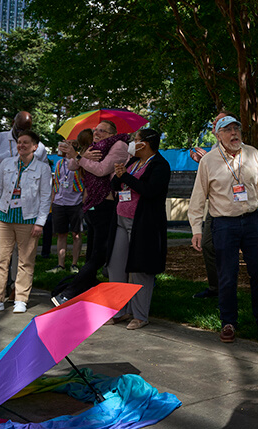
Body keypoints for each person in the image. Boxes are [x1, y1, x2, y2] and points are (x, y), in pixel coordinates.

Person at [188, 115, 258, 344]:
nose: (234, 133)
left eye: (236, 128)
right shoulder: (209, 161)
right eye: (227, 130)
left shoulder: (253, 154)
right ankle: (228, 322)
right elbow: (198, 197)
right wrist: (197, 228)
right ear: (218, 135)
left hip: (253, 221)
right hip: (224, 224)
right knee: (227, 275)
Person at [50, 120, 129, 306]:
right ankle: (88, 288)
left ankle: (68, 292)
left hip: (106, 203)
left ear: (112, 133)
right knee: (94, 250)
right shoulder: (94, 148)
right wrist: (78, 156)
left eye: (102, 131)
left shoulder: (119, 146)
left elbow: (101, 170)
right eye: (95, 130)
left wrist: (79, 157)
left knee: (100, 253)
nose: (97, 133)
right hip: (92, 204)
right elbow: (72, 167)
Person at [0, 111, 48, 302]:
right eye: (19, 128)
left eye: (26, 129)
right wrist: (4, 171)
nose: (22, 132)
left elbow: (42, 176)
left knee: (21, 249)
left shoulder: (38, 148)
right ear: (12, 123)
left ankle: (17, 288)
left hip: (25, 206)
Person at [105, 128, 171, 330]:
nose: (133, 143)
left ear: (146, 143)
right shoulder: (133, 162)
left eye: (136, 140)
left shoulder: (160, 165)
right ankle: (120, 311)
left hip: (143, 223)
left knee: (141, 269)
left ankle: (140, 315)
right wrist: (120, 175)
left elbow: (149, 191)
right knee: (115, 266)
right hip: (121, 218)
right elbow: (117, 185)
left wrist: (126, 177)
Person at [189, 111, 228, 300]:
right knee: (208, 245)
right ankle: (216, 289)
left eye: (218, 121)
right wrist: (201, 162)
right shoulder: (214, 147)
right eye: (213, 122)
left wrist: (207, 159)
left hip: (231, 209)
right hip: (213, 207)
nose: (213, 124)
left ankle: (226, 290)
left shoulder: (236, 148)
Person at [48, 130, 91, 274]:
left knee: (76, 234)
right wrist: (52, 201)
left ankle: (74, 264)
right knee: (61, 234)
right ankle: (60, 265)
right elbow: (55, 183)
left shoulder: (80, 162)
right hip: (60, 203)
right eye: (67, 144)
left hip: (76, 203)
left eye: (73, 144)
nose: (69, 147)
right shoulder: (59, 163)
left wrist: (84, 200)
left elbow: (86, 181)